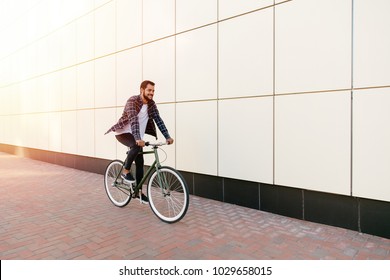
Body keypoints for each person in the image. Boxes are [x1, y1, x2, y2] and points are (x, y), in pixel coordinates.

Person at [105, 80, 174, 203]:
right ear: (142, 90)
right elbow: (134, 121)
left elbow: (158, 120)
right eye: (149, 90)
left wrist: (167, 136)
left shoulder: (152, 104)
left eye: (153, 91)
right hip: (123, 133)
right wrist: (137, 138)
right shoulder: (132, 101)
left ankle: (138, 192)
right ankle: (125, 171)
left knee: (140, 163)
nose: (152, 93)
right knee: (135, 147)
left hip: (137, 137)